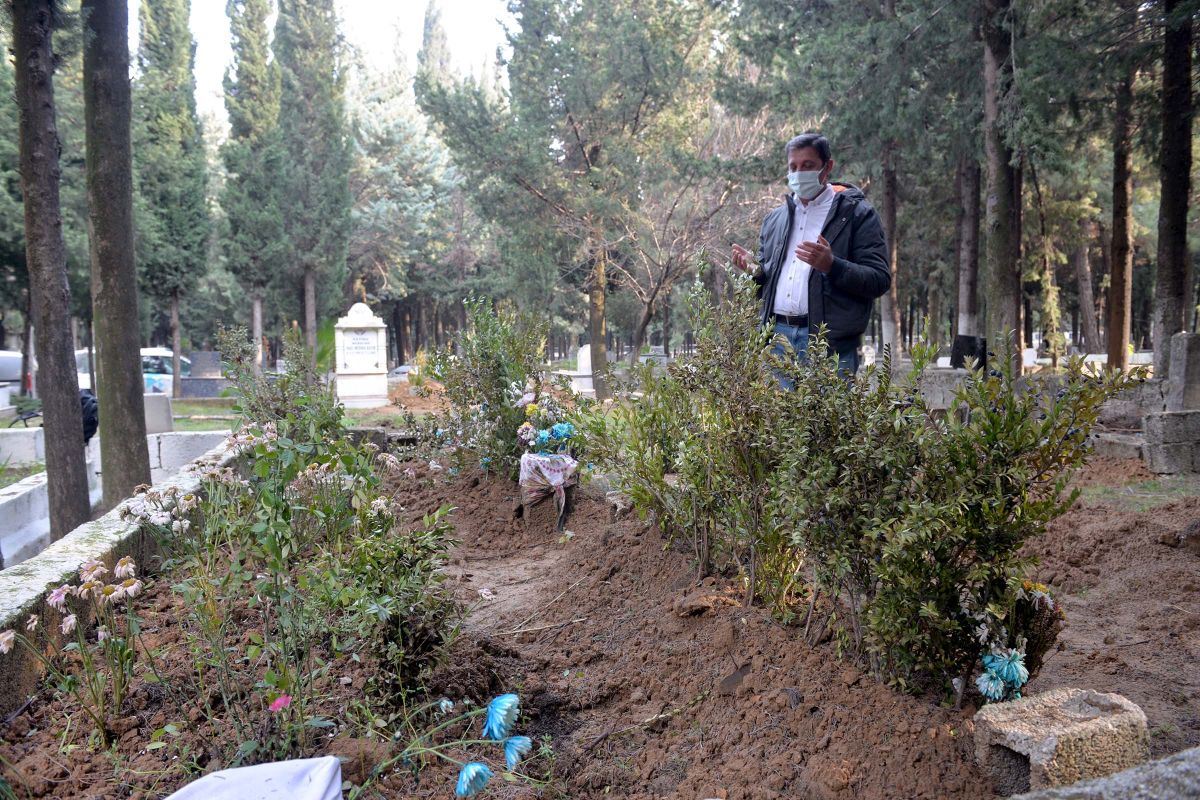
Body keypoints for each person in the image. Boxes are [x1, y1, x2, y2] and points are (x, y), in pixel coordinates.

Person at [731, 133, 891, 381]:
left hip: (829, 346)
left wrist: (832, 266)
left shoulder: (857, 215)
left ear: (827, 167)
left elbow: (879, 279)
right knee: (781, 419)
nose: (798, 173)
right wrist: (756, 272)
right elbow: (767, 280)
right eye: (793, 167)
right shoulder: (775, 219)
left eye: (807, 166)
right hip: (779, 340)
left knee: (829, 421)